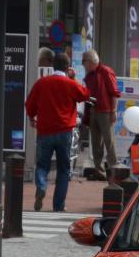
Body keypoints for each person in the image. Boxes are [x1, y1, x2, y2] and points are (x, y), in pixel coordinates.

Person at [25, 52, 90, 212]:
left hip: (45, 130)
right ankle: (58, 205)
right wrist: (73, 78)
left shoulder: (42, 83)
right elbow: (85, 95)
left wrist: (32, 117)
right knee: (63, 169)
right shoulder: (70, 84)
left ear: (52, 65)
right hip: (65, 131)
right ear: (68, 68)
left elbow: (30, 104)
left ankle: (41, 185)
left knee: (42, 165)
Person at [82, 49, 121, 180]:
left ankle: (113, 169)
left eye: (84, 61)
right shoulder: (90, 74)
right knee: (96, 142)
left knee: (108, 140)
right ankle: (99, 169)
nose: (83, 65)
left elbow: (114, 92)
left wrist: (114, 111)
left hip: (105, 111)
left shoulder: (105, 71)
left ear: (91, 61)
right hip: (94, 110)